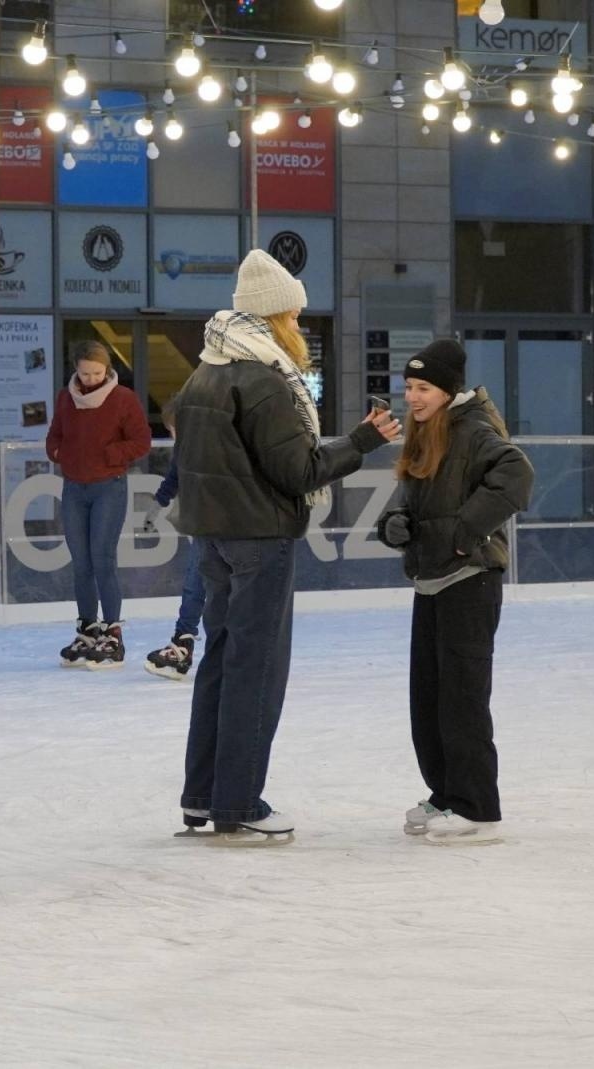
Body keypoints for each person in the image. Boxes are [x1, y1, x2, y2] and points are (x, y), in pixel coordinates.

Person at [168, 249, 401, 844]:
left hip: (213, 540)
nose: (299, 329)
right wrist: (364, 440)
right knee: (257, 669)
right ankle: (239, 800)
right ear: (271, 319)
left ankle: (204, 796)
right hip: (259, 539)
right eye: (294, 318)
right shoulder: (265, 382)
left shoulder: (204, 373)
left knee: (219, 665)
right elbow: (299, 471)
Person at [375, 339, 534, 846]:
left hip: (470, 579)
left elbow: (516, 476)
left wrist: (465, 533)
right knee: (429, 697)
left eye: (423, 388)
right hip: (432, 579)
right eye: (409, 388)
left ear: (447, 390)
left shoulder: (474, 429)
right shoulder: (429, 432)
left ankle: (476, 806)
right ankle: (445, 793)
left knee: (462, 697)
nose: (413, 398)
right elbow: (411, 495)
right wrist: (395, 522)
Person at [45, 339, 151, 668]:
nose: (91, 378)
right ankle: (87, 627)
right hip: (75, 488)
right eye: (85, 372)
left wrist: (109, 456)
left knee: (102, 558)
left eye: (97, 372)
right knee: (81, 563)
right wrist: (58, 453)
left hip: (109, 486)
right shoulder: (66, 397)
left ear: (107, 370)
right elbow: (55, 434)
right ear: (75, 370)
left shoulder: (122, 399)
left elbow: (141, 440)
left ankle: (112, 631)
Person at [143, 412, 205, 681]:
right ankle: (183, 642)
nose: (174, 438)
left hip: (223, 529)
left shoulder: (216, 449)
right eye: (170, 432)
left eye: (176, 431)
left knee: (208, 586)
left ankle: (232, 647)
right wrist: (155, 508)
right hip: (200, 528)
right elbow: (171, 480)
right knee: (195, 585)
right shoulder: (183, 452)